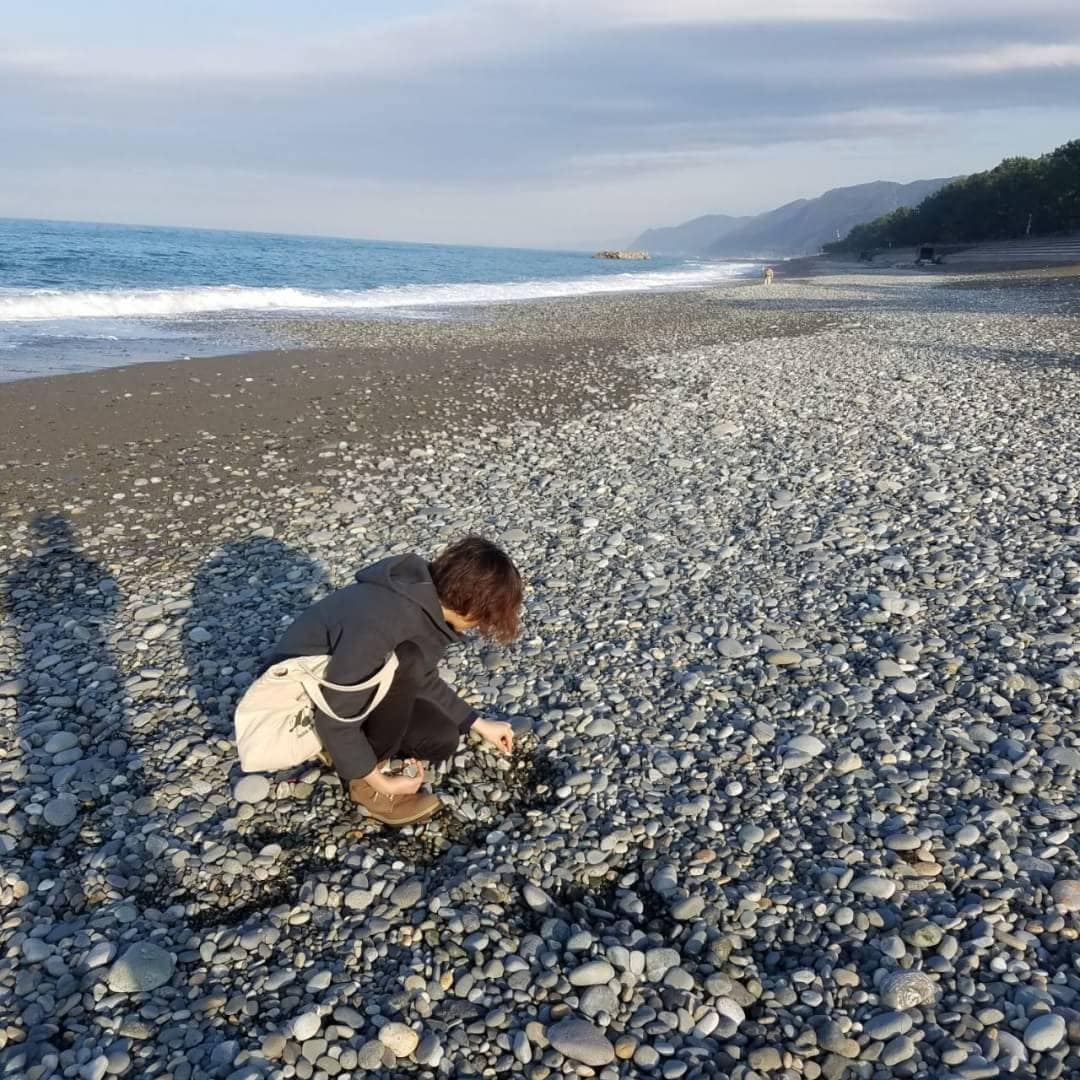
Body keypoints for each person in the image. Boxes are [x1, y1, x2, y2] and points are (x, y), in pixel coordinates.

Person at [265, 536, 523, 826]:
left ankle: (349, 751)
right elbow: (334, 716)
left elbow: (421, 676)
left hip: (348, 687)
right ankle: (362, 785)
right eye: (483, 619)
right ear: (471, 606)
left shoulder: (427, 601)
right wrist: (381, 782)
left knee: (440, 738)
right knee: (406, 660)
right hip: (301, 705)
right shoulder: (383, 621)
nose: (480, 627)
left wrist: (478, 723)